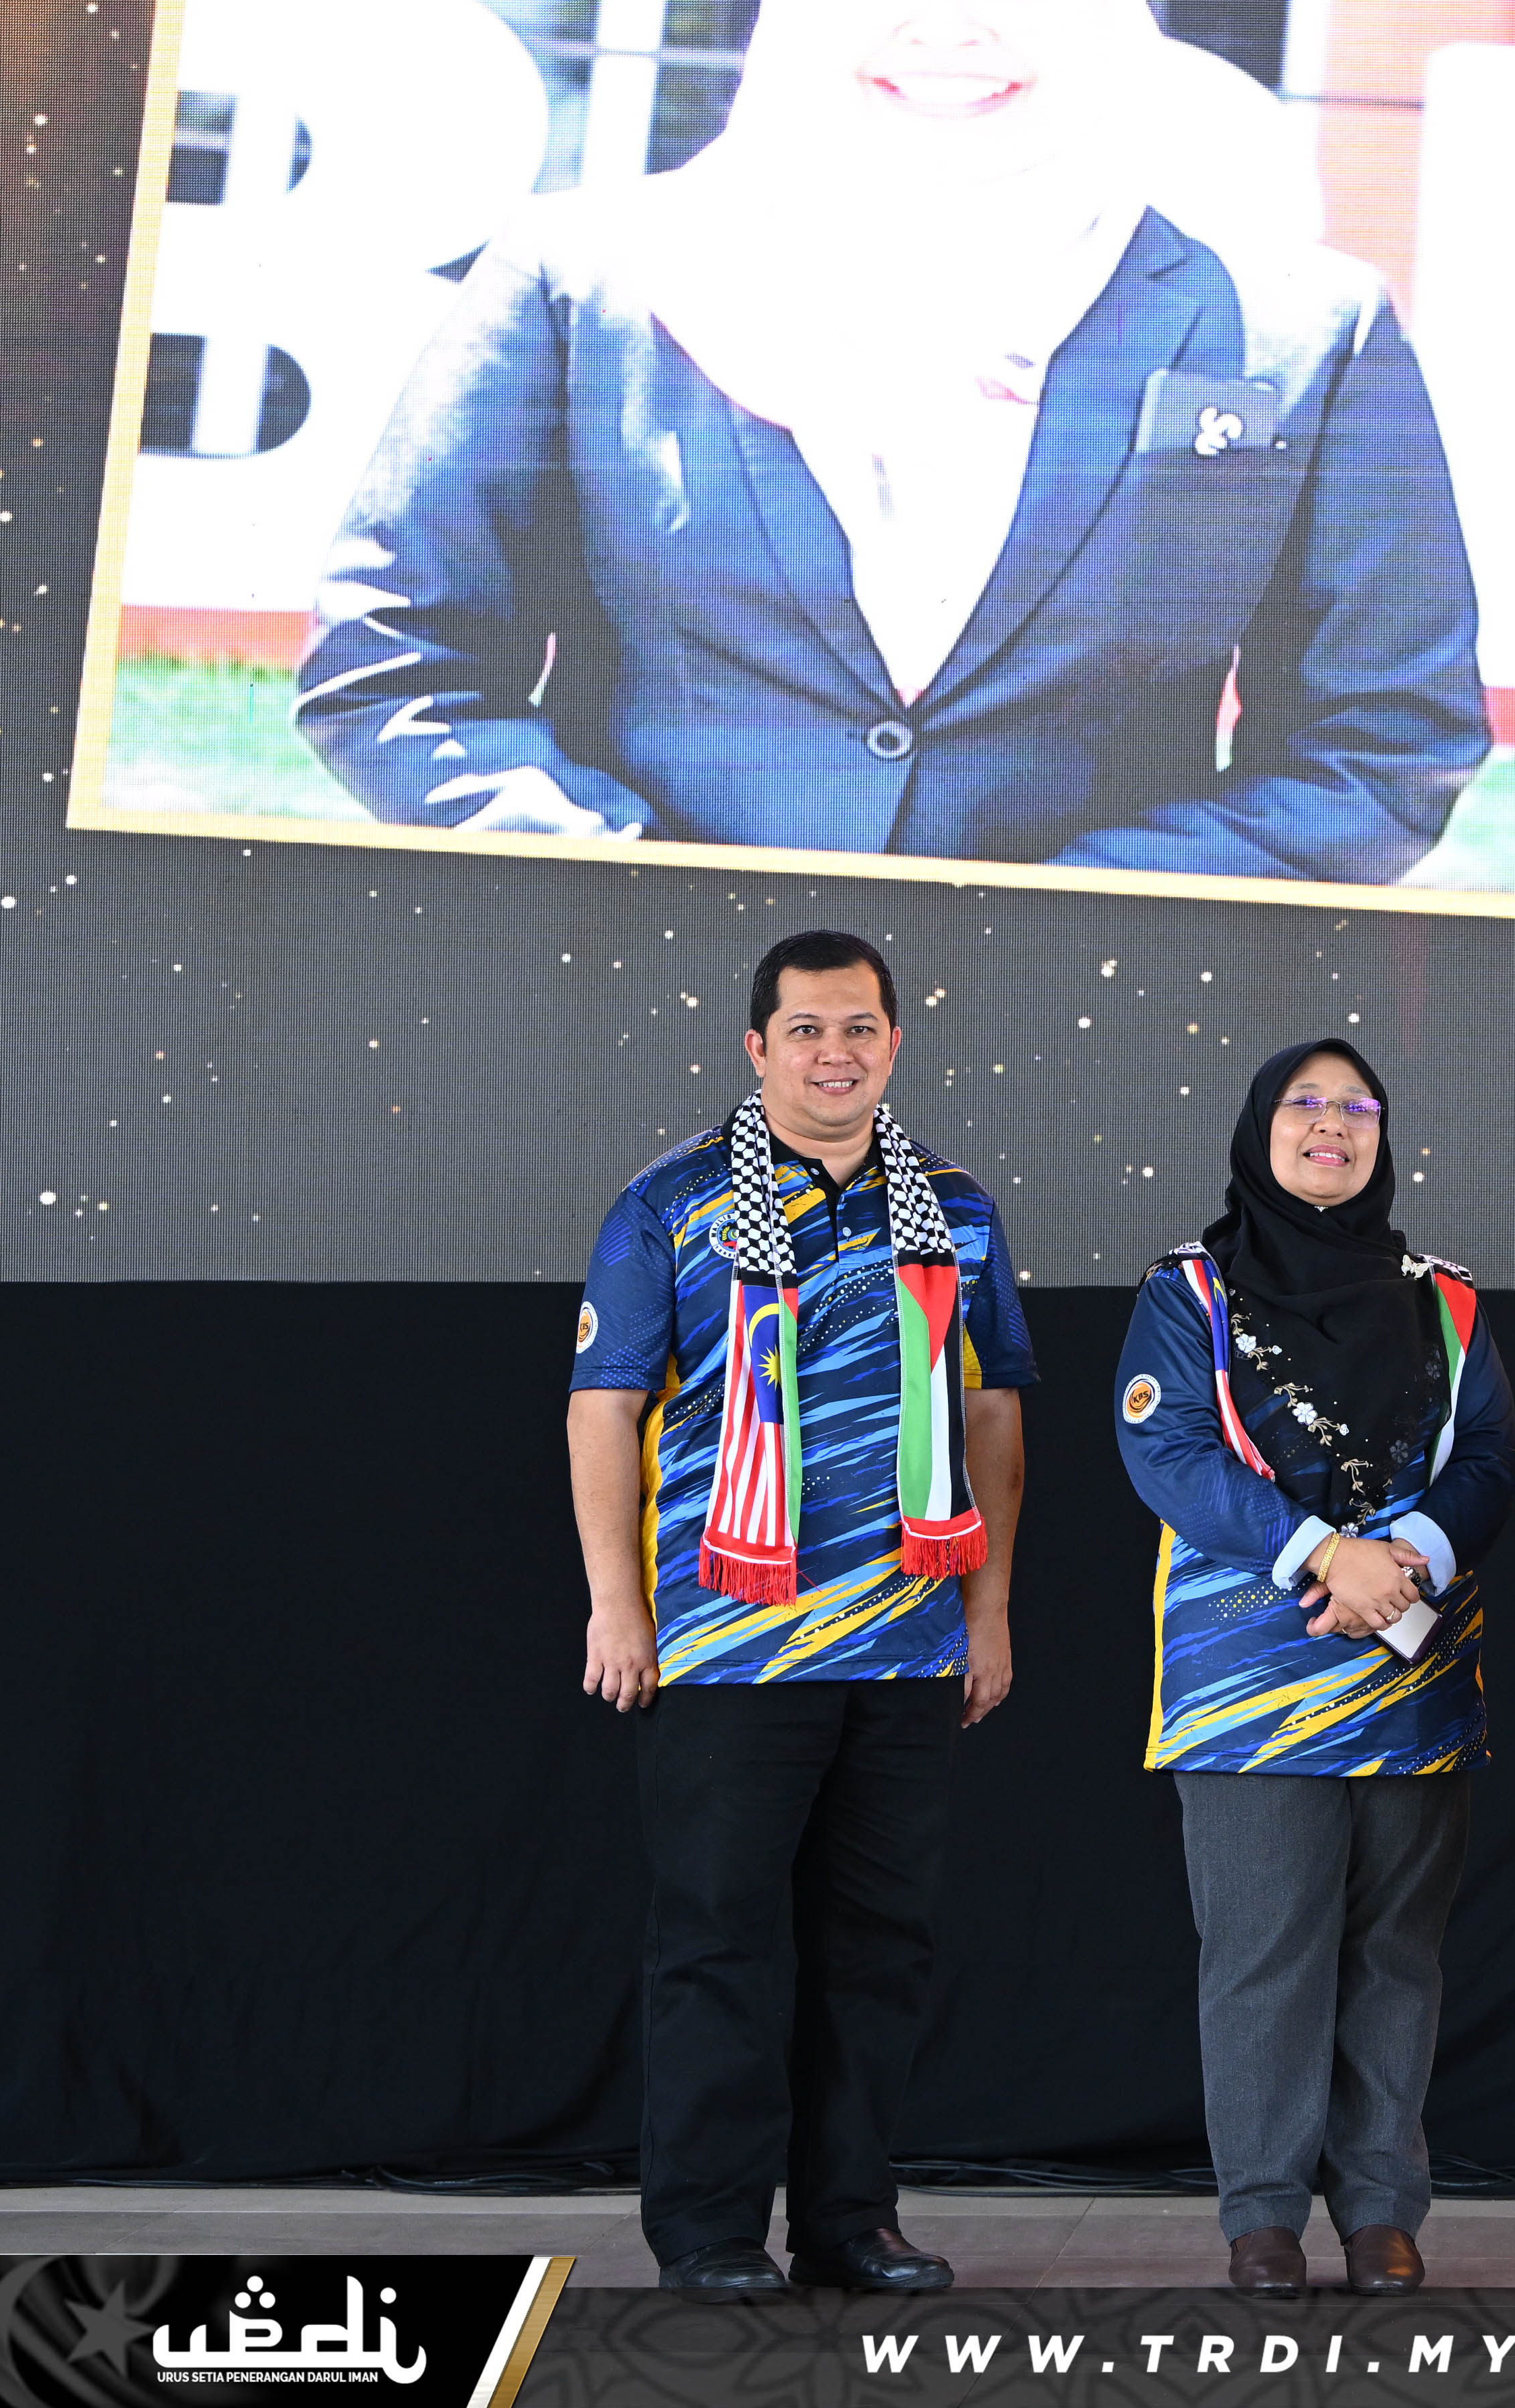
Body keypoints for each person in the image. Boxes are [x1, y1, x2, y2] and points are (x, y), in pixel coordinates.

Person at [299, 0, 1485, 879]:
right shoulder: (588, 278)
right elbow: (396, 661)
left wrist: (1061, 934)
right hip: (617, 983)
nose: (948, 26)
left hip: (1086, 1007)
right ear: (784, 0)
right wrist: (639, 901)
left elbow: (1383, 744)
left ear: (1121, 10)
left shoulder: (1300, 332)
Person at [568, 927, 1030, 2300]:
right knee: (718, 1942)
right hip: (724, 1641)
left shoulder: (957, 1209)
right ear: (757, 1045)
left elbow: (993, 1416)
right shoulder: (669, 1203)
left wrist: (990, 1612)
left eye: (860, 1028)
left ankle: (850, 2221)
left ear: (895, 1042)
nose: (836, 1053)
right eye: (808, 1029)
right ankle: (710, 2229)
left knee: (875, 1950)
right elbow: (603, 1410)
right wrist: (615, 1605)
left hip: (907, 1638)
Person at [1115, 1038, 1515, 2299]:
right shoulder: (1188, 1293)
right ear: (1261, 1127)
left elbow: (1489, 1454)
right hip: (1251, 1681)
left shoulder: (1444, 1299)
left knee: (1397, 1951)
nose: (1330, 1124)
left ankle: (1383, 2211)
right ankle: (1265, 2217)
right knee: (1264, 1952)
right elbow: (1172, 1454)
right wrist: (1326, 1556)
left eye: (1357, 1106)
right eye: (1304, 1102)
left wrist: (1409, 1558)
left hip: (1412, 1674)